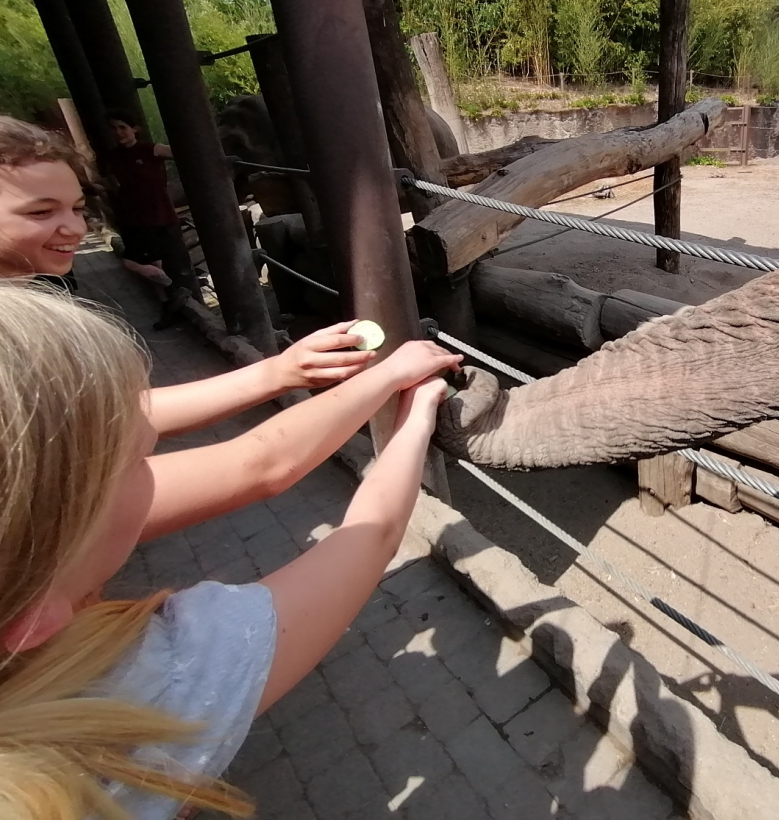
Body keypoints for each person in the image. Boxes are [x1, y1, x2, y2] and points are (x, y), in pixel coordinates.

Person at [0, 281, 455, 819]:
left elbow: (256, 464)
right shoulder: (150, 684)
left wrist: (287, 375)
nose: (157, 472)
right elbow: (371, 529)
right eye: (137, 467)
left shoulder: (37, 555)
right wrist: (419, 408)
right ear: (35, 616)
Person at [0, 114, 380, 440]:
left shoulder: (39, 294)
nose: (75, 229)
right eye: (40, 213)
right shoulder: (18, 336)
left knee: (174, 268)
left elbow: (125, 416)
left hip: (161, 217)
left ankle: (179, 296)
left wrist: (283, 371)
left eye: (78, 208)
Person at [102, 109, 195, 329]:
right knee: (144, 264)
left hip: (158, 214)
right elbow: (113, 187)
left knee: (148, 263)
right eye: (114, 128)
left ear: (135, 129)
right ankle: (171, 298)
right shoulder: (113, 157)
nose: (118, 132)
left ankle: (170, 300)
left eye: (122, 127)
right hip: (134, 217)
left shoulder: (149, 150)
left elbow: (181, 152)